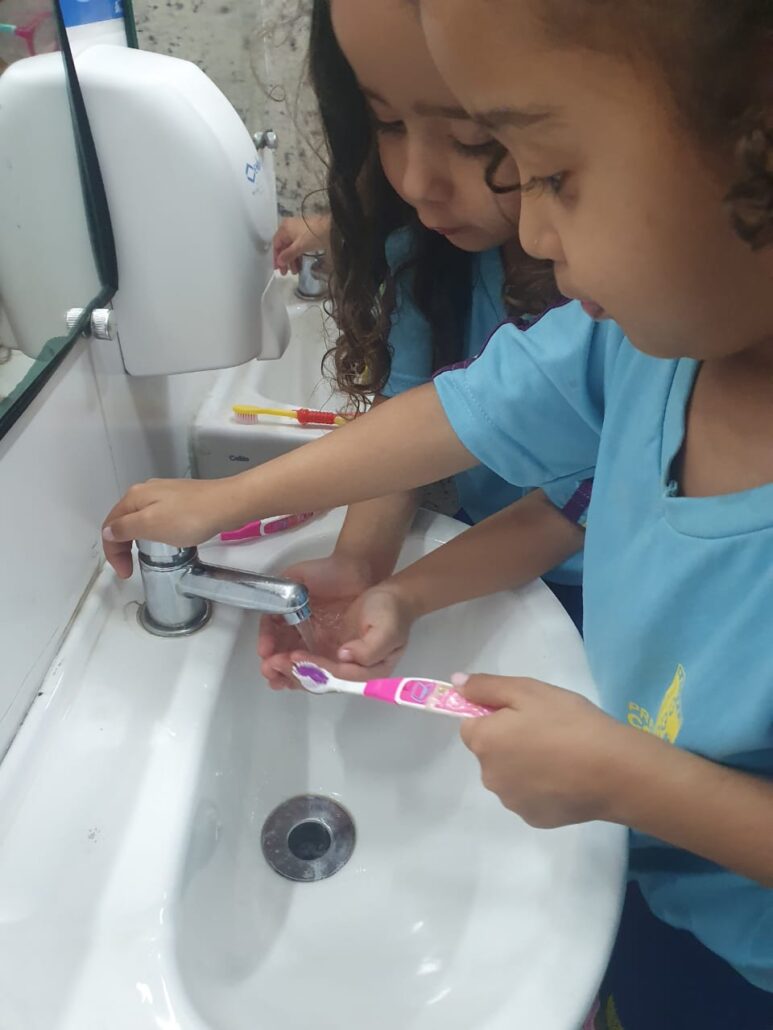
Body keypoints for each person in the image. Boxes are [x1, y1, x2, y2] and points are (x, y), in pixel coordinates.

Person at [102, 1, 773, 1022]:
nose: (534, 232)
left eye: (555, 174)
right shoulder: (641, 351)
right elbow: (458, 414)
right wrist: (233, 505)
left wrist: (634, 785)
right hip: (649, 873)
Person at [258, 0, 588, 681]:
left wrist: (222, 502)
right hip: (485, 561)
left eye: (471, 136)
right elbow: (410, 418)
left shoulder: (607, 309)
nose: (414, 182)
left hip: (595, 584)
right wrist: (360, 565)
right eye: (387, 123)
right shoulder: (423, 258)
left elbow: (566, 513)